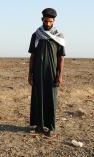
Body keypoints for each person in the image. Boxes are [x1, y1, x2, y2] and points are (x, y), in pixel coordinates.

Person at [28, 8, 66, 137]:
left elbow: (61, 57)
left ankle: (51, 128)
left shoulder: (59, 37)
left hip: (52, 74)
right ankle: (38, 126)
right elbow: (32, 55)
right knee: (37, 98)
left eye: (50, 21)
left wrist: (59, 75)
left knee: (51, 100)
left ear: (54, 21)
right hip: (38, 73)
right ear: (42, 20)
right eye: (45, 21)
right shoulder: (36, 35)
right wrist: (30, 73)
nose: (48, 24)